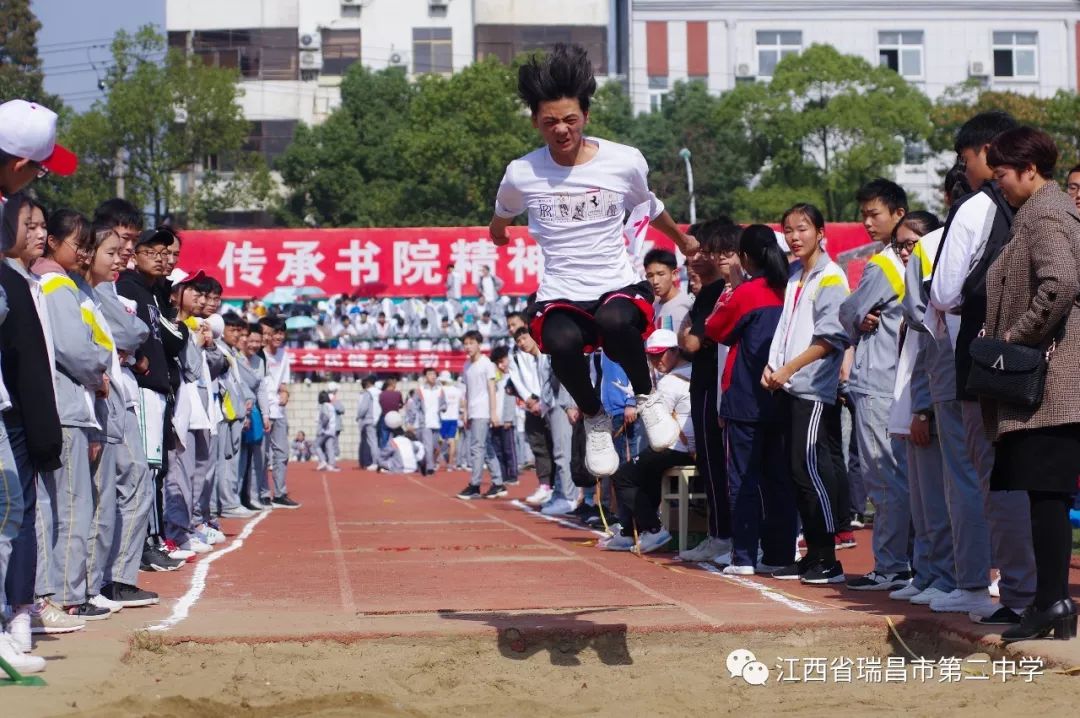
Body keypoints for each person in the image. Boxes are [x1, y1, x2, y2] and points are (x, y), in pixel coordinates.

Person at [489, 43, 696, 479]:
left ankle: (647, 396)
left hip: (614, 283)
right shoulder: (522, 173)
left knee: (617, 322)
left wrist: (682, 239)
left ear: (585, 116)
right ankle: (594, 416)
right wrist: (498, 234)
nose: (561, 130)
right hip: (562, 291)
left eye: (570, 119)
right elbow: (501, 214)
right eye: (550, 122)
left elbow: (650, 206)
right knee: (559, 343)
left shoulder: (623, 161)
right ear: (535, 123)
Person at [929, 110, 1035, 621]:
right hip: (1041, 363)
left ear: (990, 152)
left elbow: (945, 292)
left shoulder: (975, 209)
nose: (965, 168)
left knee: (996, 480)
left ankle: (1016, 594)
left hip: (987, 363)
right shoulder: (1047, 207)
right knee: (1037, 483)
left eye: (966, 157)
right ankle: (1037, 590)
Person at [981, 127, 1079, 642]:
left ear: (1029, 170)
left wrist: (1015, 339)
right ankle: (1052, 602)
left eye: (1001, 174)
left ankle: (1053, 602)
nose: (999, 184)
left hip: (1052, 382)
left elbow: (1060, 282)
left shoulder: (1046, 213)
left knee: (1047, 495)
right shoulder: (1042, 211)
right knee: (1046, 495)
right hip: (1051, 380)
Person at [763, 204, 850, 586]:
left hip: (812, 388)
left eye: (802, 229)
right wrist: (772, 365)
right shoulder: (796, 275)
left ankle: (829, 557)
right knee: (797, 471)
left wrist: (789, 368)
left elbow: (831, 339)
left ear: (820, 232)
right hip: (788, 385)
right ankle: (812, 554)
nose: (794, 237)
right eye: (788, 230)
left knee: (809, 469)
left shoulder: (831, 277)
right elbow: (786, 328)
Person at [33, 210, 113, 620]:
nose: (83, 253)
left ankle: (62, 592)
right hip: (67, 407)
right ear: (53, 242)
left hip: (67, 405)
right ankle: (66, 593)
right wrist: (100, 368)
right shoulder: (57, 285)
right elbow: (75, 349)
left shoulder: (52, 283)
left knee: (64, 503)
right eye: (77, 244)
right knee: (71, 505)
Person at [704, 225, 795, 575]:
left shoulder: (749, 292)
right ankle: (780, 554)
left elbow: (715, 330)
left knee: (742, 478)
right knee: (779, 478)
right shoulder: (790, 287)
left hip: (746, 397)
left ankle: (743, 555)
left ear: (744, 257)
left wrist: (737, 287)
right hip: (783, 395)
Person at [840, 179, 911, 591]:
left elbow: (848, 310)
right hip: (898, 381)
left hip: (879, 380)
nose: (867, 222)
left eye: (875, 214)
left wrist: (857, 316)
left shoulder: (885, 264)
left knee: (883, 476)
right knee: (901, 477)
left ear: (898, 214)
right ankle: (906, 562)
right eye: (863, 214)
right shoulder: (904, 260)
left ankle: (890, 564)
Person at [889, 211, 957, 606]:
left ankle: (945, 575)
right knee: (921, 499)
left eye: (911, 243)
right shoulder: (912, 293)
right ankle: (926, 570)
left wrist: (924, 410)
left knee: (936, 500)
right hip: (913, 404)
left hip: (927, 406)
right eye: (899, 244)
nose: (904, 251)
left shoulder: (935, 294)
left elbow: (933, 355)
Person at [600, 329, 693, 554]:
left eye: (660, 354)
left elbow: (656, 423)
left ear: (674, 351)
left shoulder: (671, 382)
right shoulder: (691, 371)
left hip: (676, 447)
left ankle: (652, 528)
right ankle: (633, 530)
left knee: (623, 475)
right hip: (683, 447)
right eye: (651, 356)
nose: (655, 360)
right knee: (645, 472)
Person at [678, 220, 739, 563]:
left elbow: (690, 341)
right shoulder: (705, 294)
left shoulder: (719, 293)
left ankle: (725, 535)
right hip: (704, 382)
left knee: (719, 461)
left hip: (716, 384)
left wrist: (687, 331)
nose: (695, 257)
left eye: (702, 250)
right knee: (710, 461)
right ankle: (719, 533)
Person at [456, 330, 506, 499]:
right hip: (473, 411)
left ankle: (475, 485)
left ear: (479, 344)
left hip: (483, 411)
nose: (468, 347)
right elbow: (468, 391)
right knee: (487, 447)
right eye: (465, 343)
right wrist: (465, 412)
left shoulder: (486, 364)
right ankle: (498, 483)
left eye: (471, 343)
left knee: (477, 448)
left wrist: (493, 413)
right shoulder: (466, 365)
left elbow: (492, 389)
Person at [511, 327, 555, 506]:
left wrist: (542, 402)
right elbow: (516, 379)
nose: (522, 343)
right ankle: (545, 485)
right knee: (539, 447)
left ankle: (560, 487)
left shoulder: (545, 352)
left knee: (557, 447)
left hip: (549, 404)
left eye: (524, 338)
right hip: (532, 405)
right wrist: (529, 399)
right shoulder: (514, 355)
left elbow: (549, 381)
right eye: (518, 340)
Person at [260, 316, 300, 509]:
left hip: (279, 410)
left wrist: (285, 392)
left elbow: (283, 383)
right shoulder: (259, 353)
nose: (279, 336)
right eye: (275, 332)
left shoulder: (284, 354)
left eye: (281, 332)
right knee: (262, 455)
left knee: (282, 453)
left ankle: (280, 492)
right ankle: (263, 493)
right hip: (262, 410)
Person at [489, 346, 519, 486]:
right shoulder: (493, 379)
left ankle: (512, 474)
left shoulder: (510, 377)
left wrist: (508, 418)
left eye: (503, 361)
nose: (501, 365)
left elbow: (511, 400)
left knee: (509, 449)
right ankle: (503, 474)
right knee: (498, 449)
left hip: (506, 420)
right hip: (494, 420)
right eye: (498, 362)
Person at [646, 248, 693, 332]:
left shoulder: (688, 304)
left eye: (661, 274)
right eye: (650, 276)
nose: (655, 281)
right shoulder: (652, 308)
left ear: (674, 274)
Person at [417, 368, 446, 475]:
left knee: (434, 446)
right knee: (428, 446)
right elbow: (415, 405)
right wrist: (413, 420)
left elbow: (444, 403)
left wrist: (443, 408)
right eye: (430, 374)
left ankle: (423, 462)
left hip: (437, 421)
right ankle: (430, 467)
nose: (433, 376)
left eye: (434, 374)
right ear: (425, 377)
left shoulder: (440, 389)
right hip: (425, 422)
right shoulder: (420, 390)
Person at [438, 371, 464, 470]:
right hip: (453, 418)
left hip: (442, 418)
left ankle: (437, 461)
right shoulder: (457, 390)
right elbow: (462, 404)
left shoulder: (440, 390)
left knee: (440, 441)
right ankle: (450, 463)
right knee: (452, 440)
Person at [314, 393, 341, 471]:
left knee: (316, 445)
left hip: (325, 430)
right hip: (332, 429)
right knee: (329, 447)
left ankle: (322, 461)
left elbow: (326, 417)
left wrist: (322, 427)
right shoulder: (331, 406)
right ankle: (331, 464)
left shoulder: (324, 406)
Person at [356, 376, 378, 470]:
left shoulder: (368, 393)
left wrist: (358, 416)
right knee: (377, 442)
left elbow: (363, 408)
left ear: (368, 383)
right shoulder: (379, 391)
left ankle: (375, 462)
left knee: (372, 442)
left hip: (369, 419)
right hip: (379, 419)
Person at [377, 377, 404, 448]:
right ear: (392, 384)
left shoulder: (381, 394)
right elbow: (401, 405)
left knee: (384, 438)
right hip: (395, 417)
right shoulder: (398, 394)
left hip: (384, 416)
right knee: (397, 438)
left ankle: (383, 455)